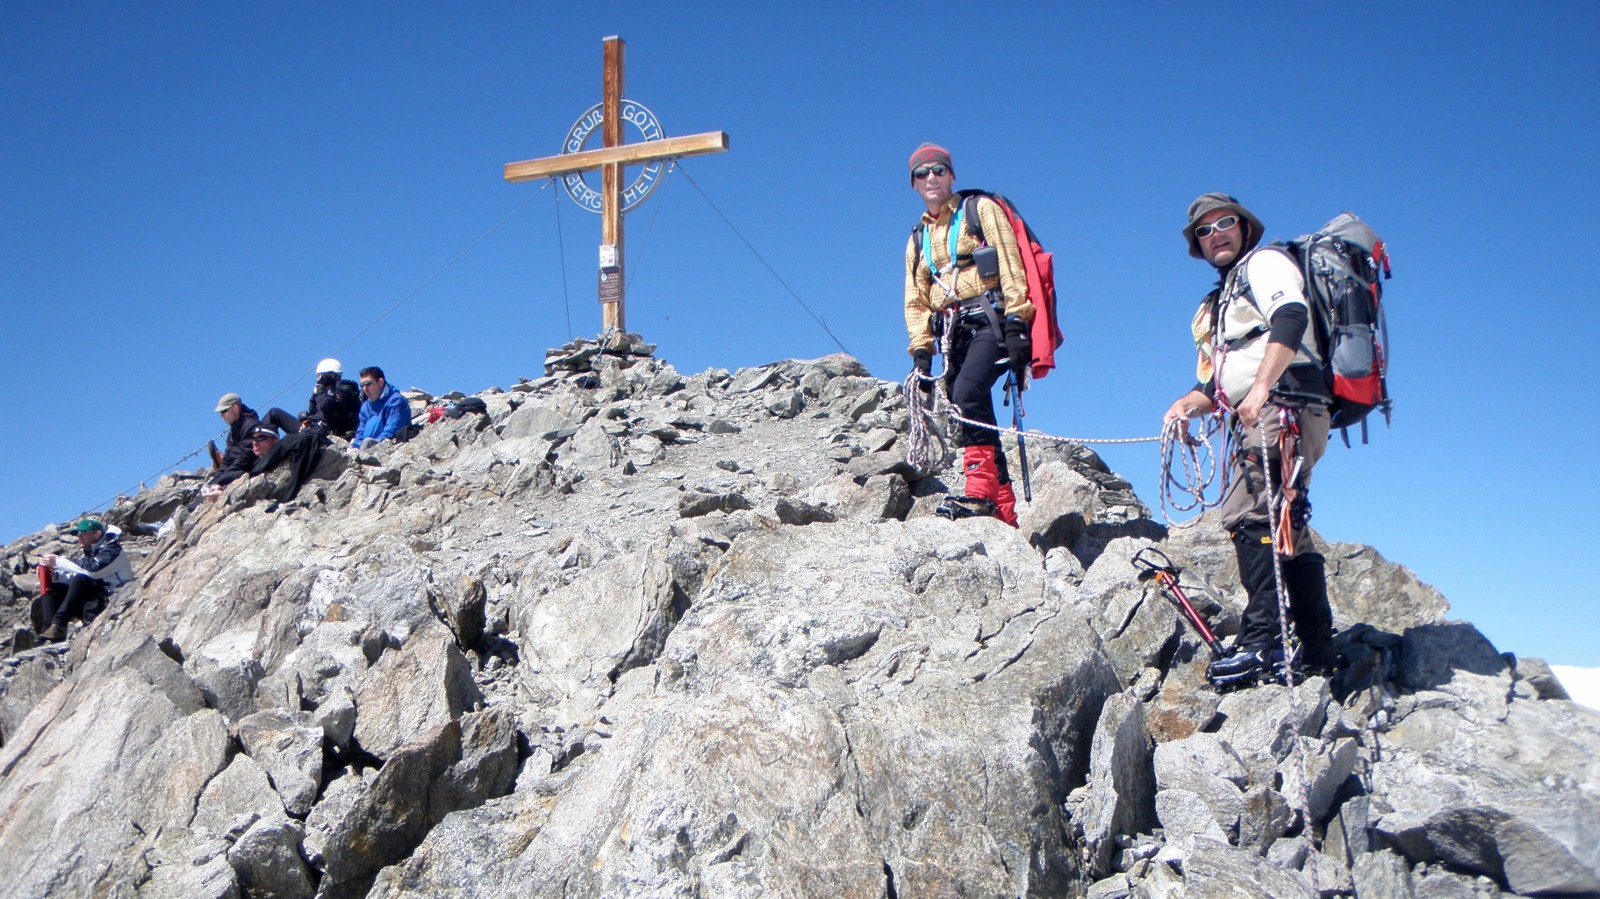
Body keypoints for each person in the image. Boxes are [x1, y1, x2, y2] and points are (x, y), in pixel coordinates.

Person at [1162, 193, 1336, 681]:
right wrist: (1187, 406)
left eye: (1225, 223)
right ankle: (1318, 650)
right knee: (1287, 526)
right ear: (1198, 243)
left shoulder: (1265, 264)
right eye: (1205, 229)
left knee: (1246, 511)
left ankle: (1264, 641)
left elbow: (1292, 317)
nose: (1216, 233)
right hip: (1273, 409)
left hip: (1284, 403)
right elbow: (1212, 385)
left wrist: (1261, 387)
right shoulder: (1214, 305)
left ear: (1243, 228)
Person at [902, 143, 1032, 527]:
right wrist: (921, 352)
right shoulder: (916, 240)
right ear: (913, 183)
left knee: (967, 393)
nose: (931, 178)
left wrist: (1018, 324)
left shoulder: (981, 210)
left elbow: (1010, 262)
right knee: (968, 410)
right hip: (952, 332)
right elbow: (915, 299)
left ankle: (978, 492)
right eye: (922, 173)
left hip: (991, 320)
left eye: (938, 170)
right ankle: (1004, 512)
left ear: (951, 175)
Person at [34, 518, 134, 642]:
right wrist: (55, 575)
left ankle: (59, 623)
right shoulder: (92, 552)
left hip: (114, 598)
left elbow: (93, 571)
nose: (79, 537)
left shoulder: (112, 550)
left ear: (96, 533)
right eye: (77, 534)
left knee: (81, 579)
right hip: (97, 597)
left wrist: (58, 561)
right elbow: (80, 575)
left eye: (82, 533)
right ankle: (51, 628)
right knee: (54, 586)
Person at [205, 394, 302, 500]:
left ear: (236, 408)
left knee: (274, 412)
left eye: (224, 411)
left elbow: (244, 459)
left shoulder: (250, 425)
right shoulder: (233, 432)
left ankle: (305, 433)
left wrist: (221, 479)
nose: (221, 416)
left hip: (251, 467)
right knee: (219, 477)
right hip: (241, 465)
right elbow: (227, 460)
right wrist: (215, 479)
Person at [352, 366, 414, 449]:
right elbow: (360, 432)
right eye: (362, 385)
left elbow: (391, 430)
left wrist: (372, 446)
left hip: (389, 450)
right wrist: (356, 447)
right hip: (366, 451)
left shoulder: (396, 401)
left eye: (368, 384)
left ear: (380, 382)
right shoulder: (366, 406)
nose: (365, 389)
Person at [301, 357, 361, 438]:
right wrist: (315, 393)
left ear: (332, 375)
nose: (319, 379)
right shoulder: (325, 392)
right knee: (277, 413)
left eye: (322, 376)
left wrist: (319, 389)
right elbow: (313, 410)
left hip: (339, 433)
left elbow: (325, 405)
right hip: (320, 429)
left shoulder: (344, 389)